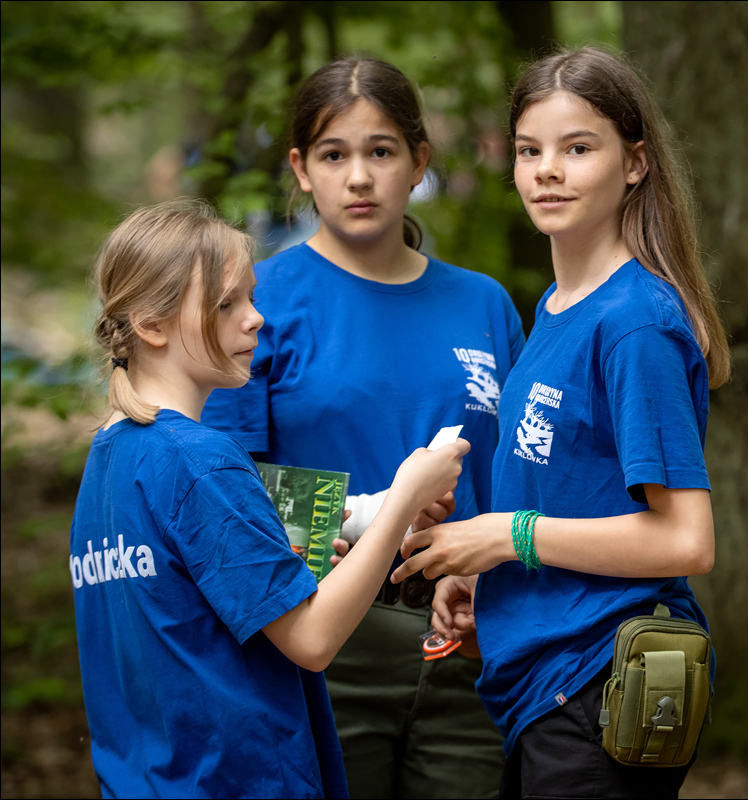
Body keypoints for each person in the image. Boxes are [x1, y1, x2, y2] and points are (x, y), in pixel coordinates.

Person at [392, 47, 730, 799]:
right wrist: (492, 579)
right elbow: (574, 502)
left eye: (578, 148)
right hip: (541, 692)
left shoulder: (636, 322)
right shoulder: (552, 311)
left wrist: (505, 537)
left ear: (634, 163)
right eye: (529, 151)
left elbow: (686, 540)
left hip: (601, 684)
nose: (547, 170)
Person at [70, 200, 468, 799]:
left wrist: (359, 522)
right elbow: (312, 640)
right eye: (225, 304)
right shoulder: (202, 460)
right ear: (150, 325)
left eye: (252, 298)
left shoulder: (109, 459)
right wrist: (406, 493)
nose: (256, 318)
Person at [202, 57, 522, 798]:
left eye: (381, 151)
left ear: (419, 162)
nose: (358, 177)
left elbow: (520, 473)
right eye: (332, 155)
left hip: (472, 637)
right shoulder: (258, 300)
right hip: (323, 640)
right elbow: (221, 493)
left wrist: (496, 570)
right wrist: (374, 512)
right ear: (300, 169)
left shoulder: (484, 303)